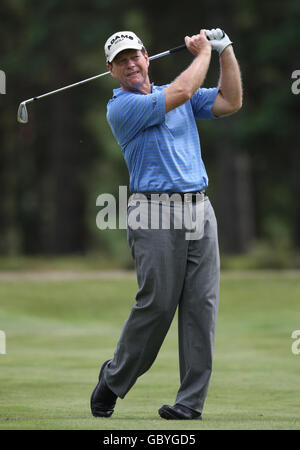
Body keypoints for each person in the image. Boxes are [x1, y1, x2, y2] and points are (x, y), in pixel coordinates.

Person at [90, 28, 242, 420]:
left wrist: (225, 52)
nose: (130, 65)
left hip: (199, 210)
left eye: (135, 56)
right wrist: (204, 52)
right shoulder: (121, 108)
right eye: (121, 61)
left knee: (201, 309)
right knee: (157, 305)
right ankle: (114, 379)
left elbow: (230, 101)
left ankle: (189, 404)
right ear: (111, 70)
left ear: (147, 57)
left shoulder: (178, 96)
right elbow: (181, 93)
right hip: (153, 211)